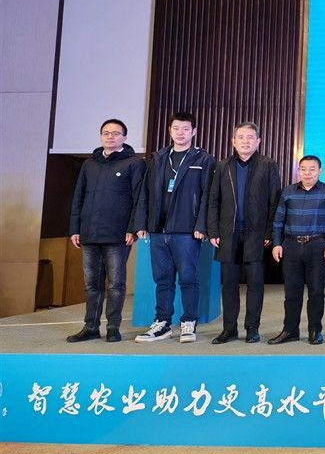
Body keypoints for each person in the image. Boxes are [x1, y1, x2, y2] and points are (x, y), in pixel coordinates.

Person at [132, 111, 216, 343]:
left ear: (194, 132)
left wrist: (202, 225)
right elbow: (145, 193)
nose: (180, 133)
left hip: (187, 229)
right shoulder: (158, 158)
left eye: (186, 129)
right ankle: (162, 323)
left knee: (188, 277)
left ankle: (189, 322)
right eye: (176, 128)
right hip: (158, 229)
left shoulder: (204, 159)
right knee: (162, 278)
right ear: (170, 131)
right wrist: (142, 222)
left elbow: (208, 196)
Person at [67, 118, 145, 342]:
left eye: (115, 133)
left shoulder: (134, 163)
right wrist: (75, 228)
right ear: (101, 136)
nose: (110, 137)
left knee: (116, 284)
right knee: (92, 284)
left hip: (118, 235)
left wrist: (133, 228)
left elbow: (139, 199)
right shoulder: (89, 164)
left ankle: (113, 327)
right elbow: (78, 197)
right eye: (106, 133)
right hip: (89, 234)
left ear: (124, 137)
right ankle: (91, 327)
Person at [207, 122, 281, 344]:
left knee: (255, 284)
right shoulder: (222, 166)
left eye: (250, 137)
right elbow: (213, 200)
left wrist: (269, 232)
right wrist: (213, 230)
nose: (245, 141)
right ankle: (229, 329)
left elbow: (275, 201)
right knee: (229, 285)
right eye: (241, 137)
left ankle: (252, 328)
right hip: (228, 234)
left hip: (256, 234)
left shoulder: (268, 165)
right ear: (233, 141)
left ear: (258, 141)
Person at [268, 155, 325, 345]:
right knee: (291, 292)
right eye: (303, 169)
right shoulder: (288, 192)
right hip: (291, 246)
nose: (308, 173)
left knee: (316, 292)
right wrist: (276, 243)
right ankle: (290, 331)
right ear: (298, 170)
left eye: (312, 169)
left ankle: (315, 331)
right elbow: (278, 221)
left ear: (320, 171)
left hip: (317, 246)